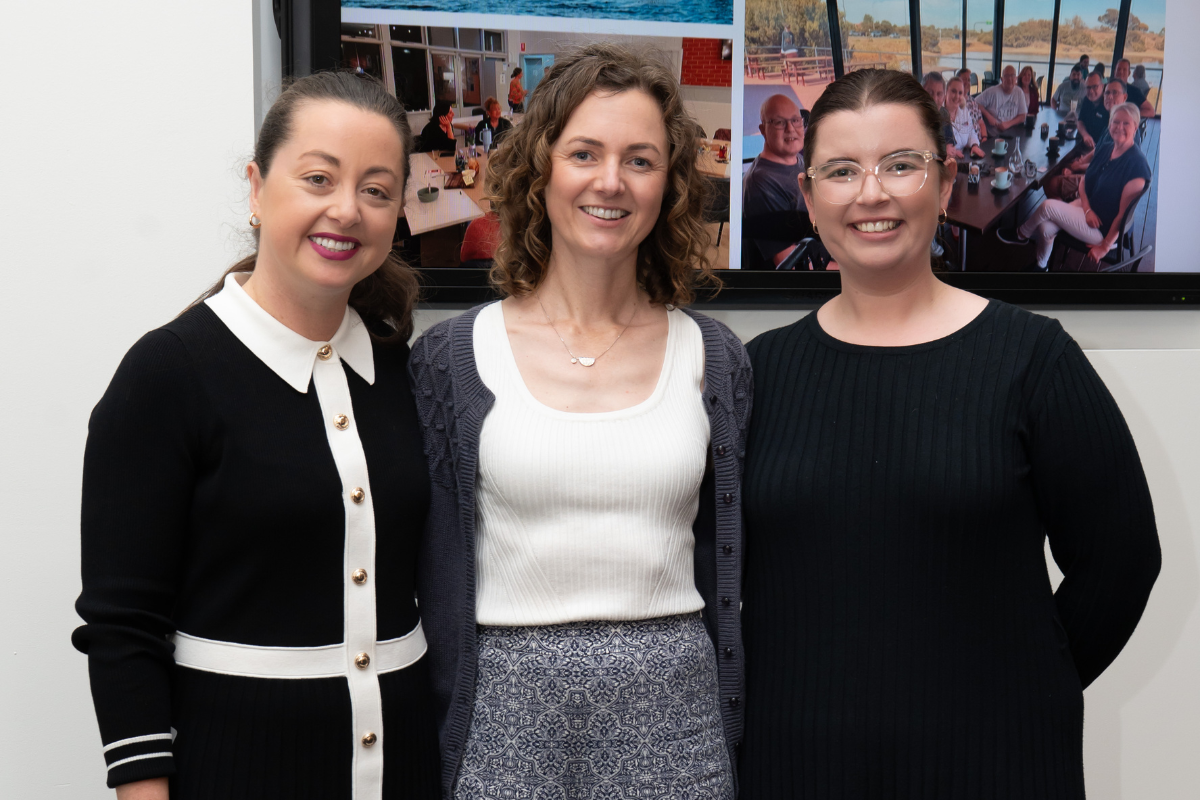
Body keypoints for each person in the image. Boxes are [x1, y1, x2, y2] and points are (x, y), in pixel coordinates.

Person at [739, 68, 1160, 798]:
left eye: (901, 165)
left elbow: (1123, 560)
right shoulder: (757, 372)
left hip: (995, 766)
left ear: (944, 178)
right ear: (809, 199)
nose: (872, 192)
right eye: (841, 171)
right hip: (794, 767)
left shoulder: (1033, 360)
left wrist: (1025, 686)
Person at [72, 72, 441, 800]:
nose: (347, 210)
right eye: (317, 178)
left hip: (407, 771)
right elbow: (122, 628)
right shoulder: (168, 375)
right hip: (236, 770)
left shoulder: (407, 371)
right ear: (256, 186)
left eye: (376, 189)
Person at [408, 43, 751, 800]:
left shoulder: (716, 360)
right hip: (502, 718)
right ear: (542, 168)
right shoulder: (449, 358)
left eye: (640, 159)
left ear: (669, 182)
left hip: (678, 718)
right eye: (585, 153)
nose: (610, 181)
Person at [1000, 102, 1151, 271]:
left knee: (1048, 206)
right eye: (1115, 122)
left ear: (1135, 127)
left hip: (1103, 229)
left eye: (1126, 123)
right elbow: (1085, 182)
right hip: (1089, 209)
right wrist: (1087, 209)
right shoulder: (1107, 148)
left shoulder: (1136, 166)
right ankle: (1041, 268)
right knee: (1045, 228)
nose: (1119, 127)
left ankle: (1021, 234)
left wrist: (1105, 246)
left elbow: (1124, 216)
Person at [1045, 78, 1142, 202]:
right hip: (1100, 174)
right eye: (1107, 93)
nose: (1109, 96)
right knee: (1060, 167)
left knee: (1050, 182)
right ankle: (1068, 207)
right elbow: (1099, 150)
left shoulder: (1121, 129)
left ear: (1124, 97)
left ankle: (1070, 213)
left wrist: (1077, 167)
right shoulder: (1113, 122)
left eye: (1115, 93)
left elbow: (1105, 166)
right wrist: (1081, 161)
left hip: (1102, 185)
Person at [743, 93, 809, 267]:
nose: (791, 129)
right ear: (763, 129)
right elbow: (789, 264)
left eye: (796, 120)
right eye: (779, 122)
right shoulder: (760, 183)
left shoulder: (797, 160)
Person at [976, 65, 1026, 137]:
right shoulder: (992, 92)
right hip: (993, 134)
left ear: (1016, 78)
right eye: (1006, 76)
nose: (1009, 79)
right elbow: (975, 103)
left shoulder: (1019, 92)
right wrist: (989, 116)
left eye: (1012, 76)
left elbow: (1023, 116)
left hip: (1012, 132)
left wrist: (1008, 124)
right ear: (1002, 79)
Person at [945, 75, 985, 159]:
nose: (957, 96)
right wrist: (952, 152)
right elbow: (933, 143)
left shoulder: (964, 111)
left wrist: (974, 145)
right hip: (945, 161)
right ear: (946, 91)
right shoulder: (939, 113)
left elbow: (971, 131)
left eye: (960, 93)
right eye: (953, 91)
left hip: (963, 158)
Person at [956, 67, 989, 143]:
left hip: (980, 141)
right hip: (965, 144)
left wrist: (984, 138)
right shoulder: (954, 102)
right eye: (964, 79)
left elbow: (981, 122)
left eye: (969, 80)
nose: (967, 82)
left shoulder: (972, 101)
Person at [1077, 73, 1109, 143]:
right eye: (1088, 87)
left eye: (1095, 87)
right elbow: (1080, 121)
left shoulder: (1108, 104)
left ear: (1102, 86)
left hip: (1101, 147)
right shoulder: (1086, 99)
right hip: (1085, 143)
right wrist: (1085, 135)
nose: (1091, 91)